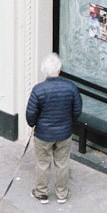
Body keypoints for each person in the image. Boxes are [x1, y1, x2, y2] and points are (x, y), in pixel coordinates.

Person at [26, 52, 82, 204]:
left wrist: (33, 124)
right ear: (59, 70)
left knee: (43, 164)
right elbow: (77, 111)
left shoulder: (38, 90)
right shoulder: (71, 88)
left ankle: (41, 193)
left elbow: (31, 113)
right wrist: (69, 123)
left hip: (43, 135)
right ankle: (62, 194)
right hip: (64, 133)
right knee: (62, 164)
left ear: (44, 71)